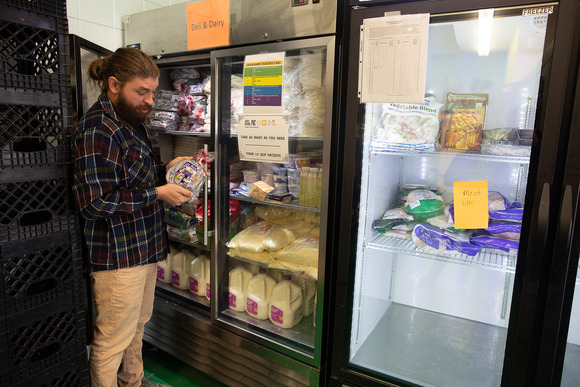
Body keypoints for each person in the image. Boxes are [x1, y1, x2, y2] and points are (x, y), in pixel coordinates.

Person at [72, 47, 193, 387]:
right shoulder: (98, 129)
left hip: (144, 245)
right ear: (113, 84)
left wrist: (166, 171)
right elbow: (94, 202)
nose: (150, 100)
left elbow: (134, 176)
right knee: (112, 338)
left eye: (153, 92)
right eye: (142, 91)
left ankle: (134, 381)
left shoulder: (133, 122)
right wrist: (158, 193)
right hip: (117, 254)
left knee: (138, 325)